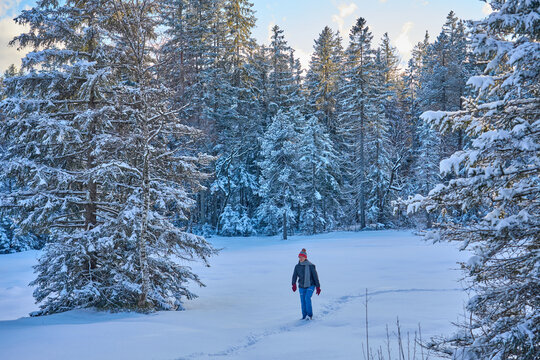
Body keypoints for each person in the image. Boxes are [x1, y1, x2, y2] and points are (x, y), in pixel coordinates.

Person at [291, 248, 321, 320]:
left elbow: (315, 277)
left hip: (311, 284)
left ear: (305, 257)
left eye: (302, 257)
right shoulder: (297, 266)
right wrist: (293, 284)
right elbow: (294, 276)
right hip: (301, 286)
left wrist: (318, 287)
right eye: (299, 257)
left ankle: (310, 315)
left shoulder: (311, 266)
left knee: (307, 298)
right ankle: (304, 316)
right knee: (302, 301)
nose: (300, 258)